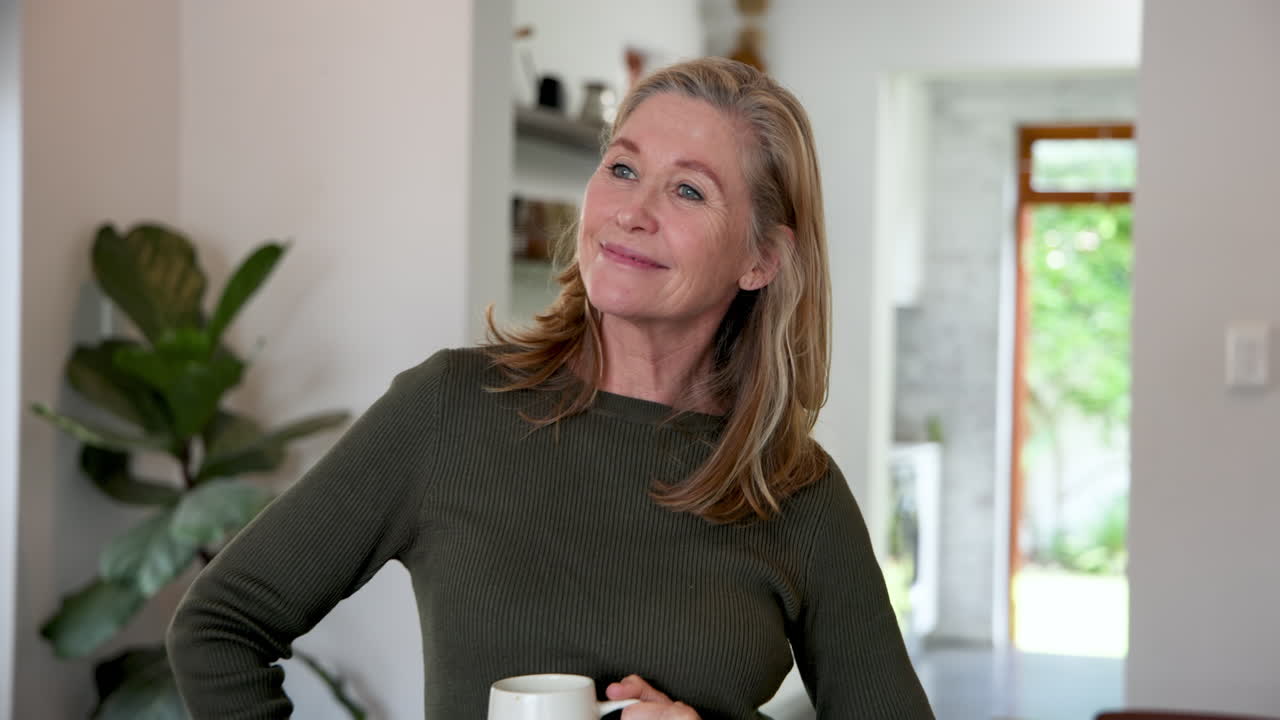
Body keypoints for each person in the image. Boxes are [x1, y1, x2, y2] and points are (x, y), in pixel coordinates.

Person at [167, 56, 935, 720]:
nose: (632, 213)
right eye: (623, 169)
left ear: (762, 258)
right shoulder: (450, 411)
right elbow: (222, 625)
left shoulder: (795, 492)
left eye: (689, 192)